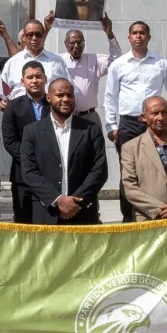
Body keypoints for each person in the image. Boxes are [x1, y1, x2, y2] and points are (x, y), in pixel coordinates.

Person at [102, 21, 167, 221]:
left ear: (148, 37)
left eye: (142, 33)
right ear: (129, 37)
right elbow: (110, 97)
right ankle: (129, 219)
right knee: (128, 173)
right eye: (134, 33)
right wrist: (112, 125)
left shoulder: (160, 63)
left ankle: (157, 213)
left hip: (155, 124)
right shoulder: (118, 65)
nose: (138, 36)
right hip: (128, 124)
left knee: (158, 169)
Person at [21, 78, 108, 225]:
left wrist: (75, 202)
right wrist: (58, 200)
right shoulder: (32, 132)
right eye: (60, 95)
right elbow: (29, 172)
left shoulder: (90, 129)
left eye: (70, 95)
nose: (66, 99)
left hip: (83, 212)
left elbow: (99, 170)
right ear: (49, 98)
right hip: (47, 213)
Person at [46, 14, 117, 133]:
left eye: (80, 42)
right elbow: (39, 57)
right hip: (65, 117)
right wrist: (46, 29)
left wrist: (109, 34)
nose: (76, 46)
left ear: (84, 43)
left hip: (89, 116)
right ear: (65, 44)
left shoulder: (94, 60)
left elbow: (116, 62)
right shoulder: (58, 60)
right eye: (72, 43)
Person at [0, 62, 50, 223]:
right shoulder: (13, 106)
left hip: (51, 175)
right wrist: (31, 161)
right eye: (30, 77)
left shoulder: (55, 104)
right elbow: (10, 141)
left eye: (38, 76)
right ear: (23, 81)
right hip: (22, 175)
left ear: (45, 79)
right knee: (24, 222)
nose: (34, 80)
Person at [0, 19, 68, 100]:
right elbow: (3, 91)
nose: (34, 38)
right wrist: (4, 101)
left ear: (43, 36)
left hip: (48, 109)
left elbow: (68, 88)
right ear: (24, 37)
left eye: (38, 34)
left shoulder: (57, 61)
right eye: (30, 34)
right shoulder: (12, 62)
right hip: (19, 110)